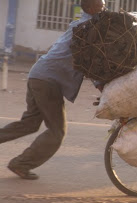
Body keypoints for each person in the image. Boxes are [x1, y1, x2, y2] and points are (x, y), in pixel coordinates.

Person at [0, 0, 106, 180]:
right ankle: (21, 164)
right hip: (48, 81)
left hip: (38, 74)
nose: (104, 7)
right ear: (91, 7)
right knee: (57, 131)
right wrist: (101, 85)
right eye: (101, 4)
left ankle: (20, 163)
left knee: (29, 123)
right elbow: (88, 61)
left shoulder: (83, 24)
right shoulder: (87, 29)